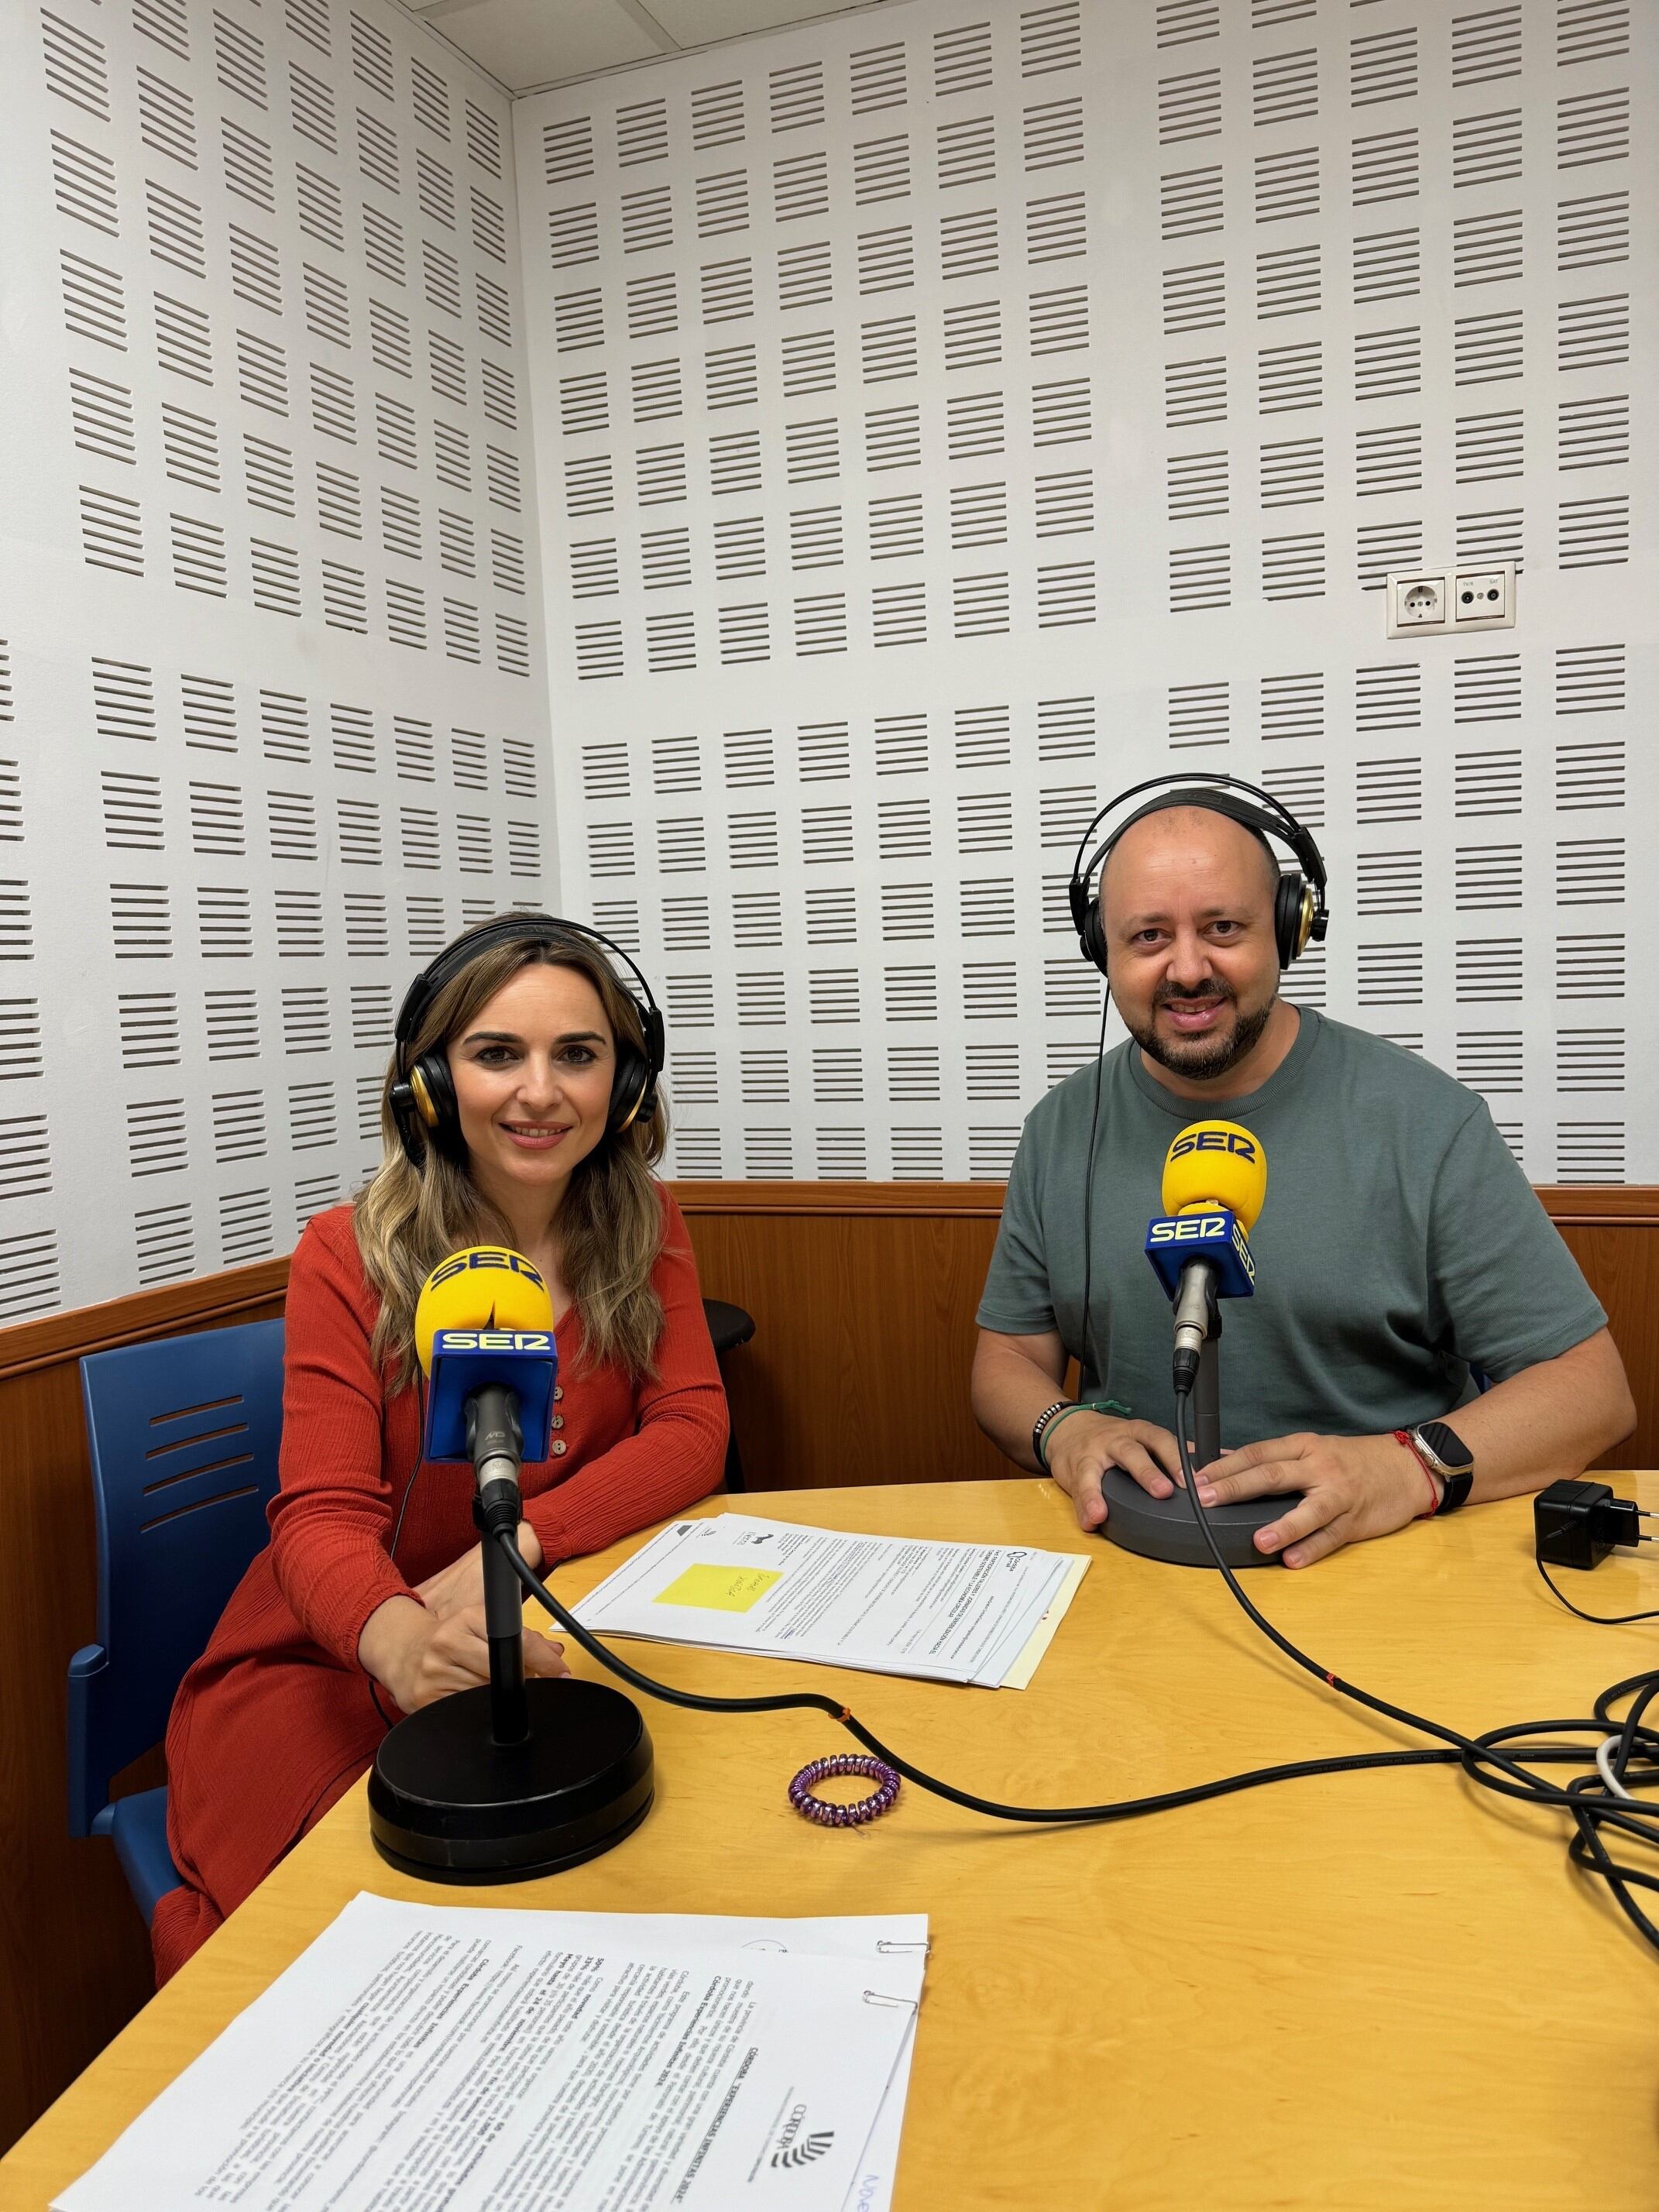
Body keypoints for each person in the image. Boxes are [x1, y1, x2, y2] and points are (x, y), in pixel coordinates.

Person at [153, 915, 728, 1982]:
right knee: (373, 1952)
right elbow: (321, 1517)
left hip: (537, 1620)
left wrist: (525, 1545)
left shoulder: (645, 1223)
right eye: (496, 1053)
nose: (540, 1092)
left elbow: (693, 1430)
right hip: (330, 1653)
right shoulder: (345, 1254)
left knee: (622, 1888)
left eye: (579, 1054)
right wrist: (397, 1639)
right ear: (429, 1081)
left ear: (628, 1085)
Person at [971, 775, 1634, 1568]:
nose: (1187, 970)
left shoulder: (1424, 1120)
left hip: (1380, 1565)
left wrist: (1406, 1467)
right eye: (1148, 936)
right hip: (1130, 1568)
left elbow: (1591, 1390)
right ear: (1100, 950)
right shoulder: (1061, 1129)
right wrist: (1064, 1427)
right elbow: (1008, 1361)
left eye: (1223, 927)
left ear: (1290, 929)